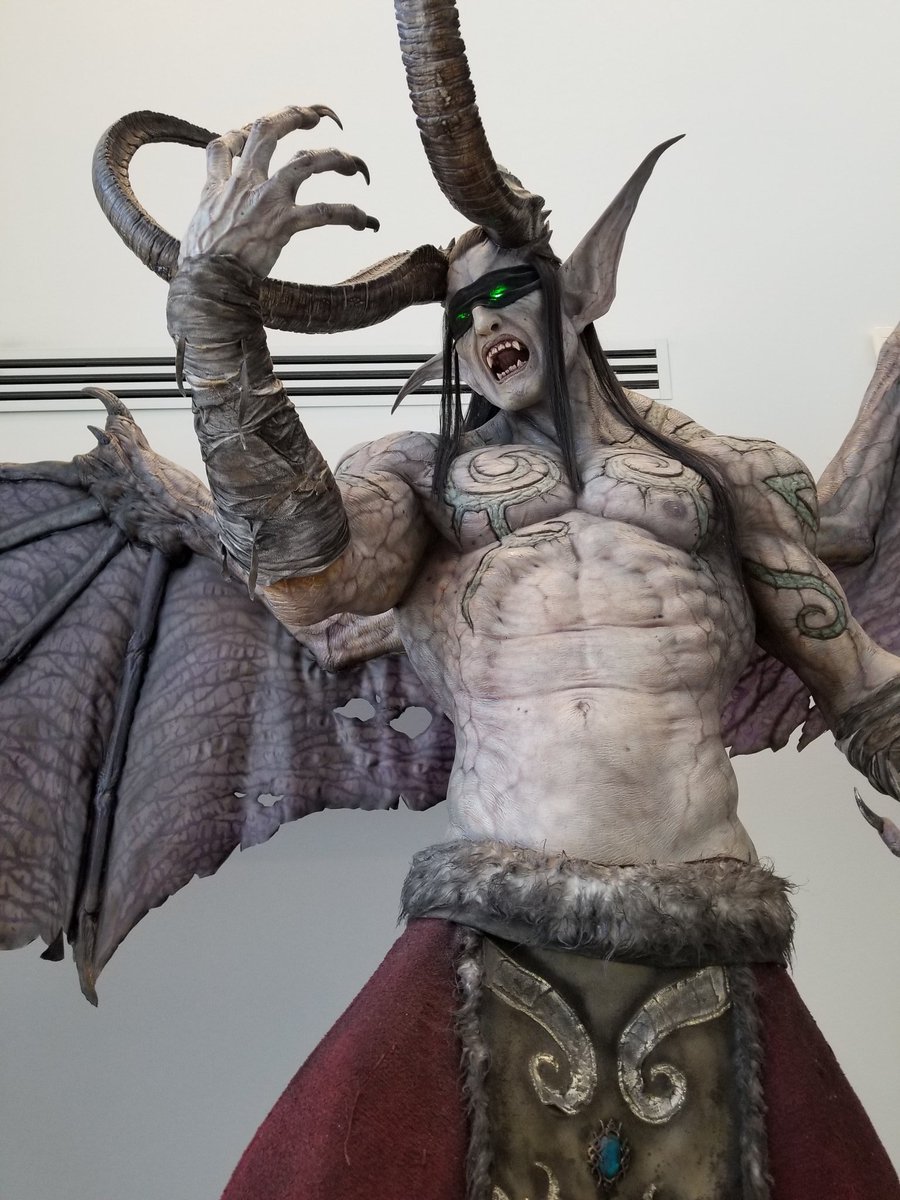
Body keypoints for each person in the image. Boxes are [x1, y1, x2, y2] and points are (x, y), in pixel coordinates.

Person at [156, 104, 900, 1199]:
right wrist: (216, 310)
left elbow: (857, 677)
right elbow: (311, 574)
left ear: (584, 291)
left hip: (709, 922)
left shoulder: (723, 478)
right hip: (486, 923)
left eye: (504, 294)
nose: (481, 326)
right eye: (460, 317)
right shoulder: (423, 483)